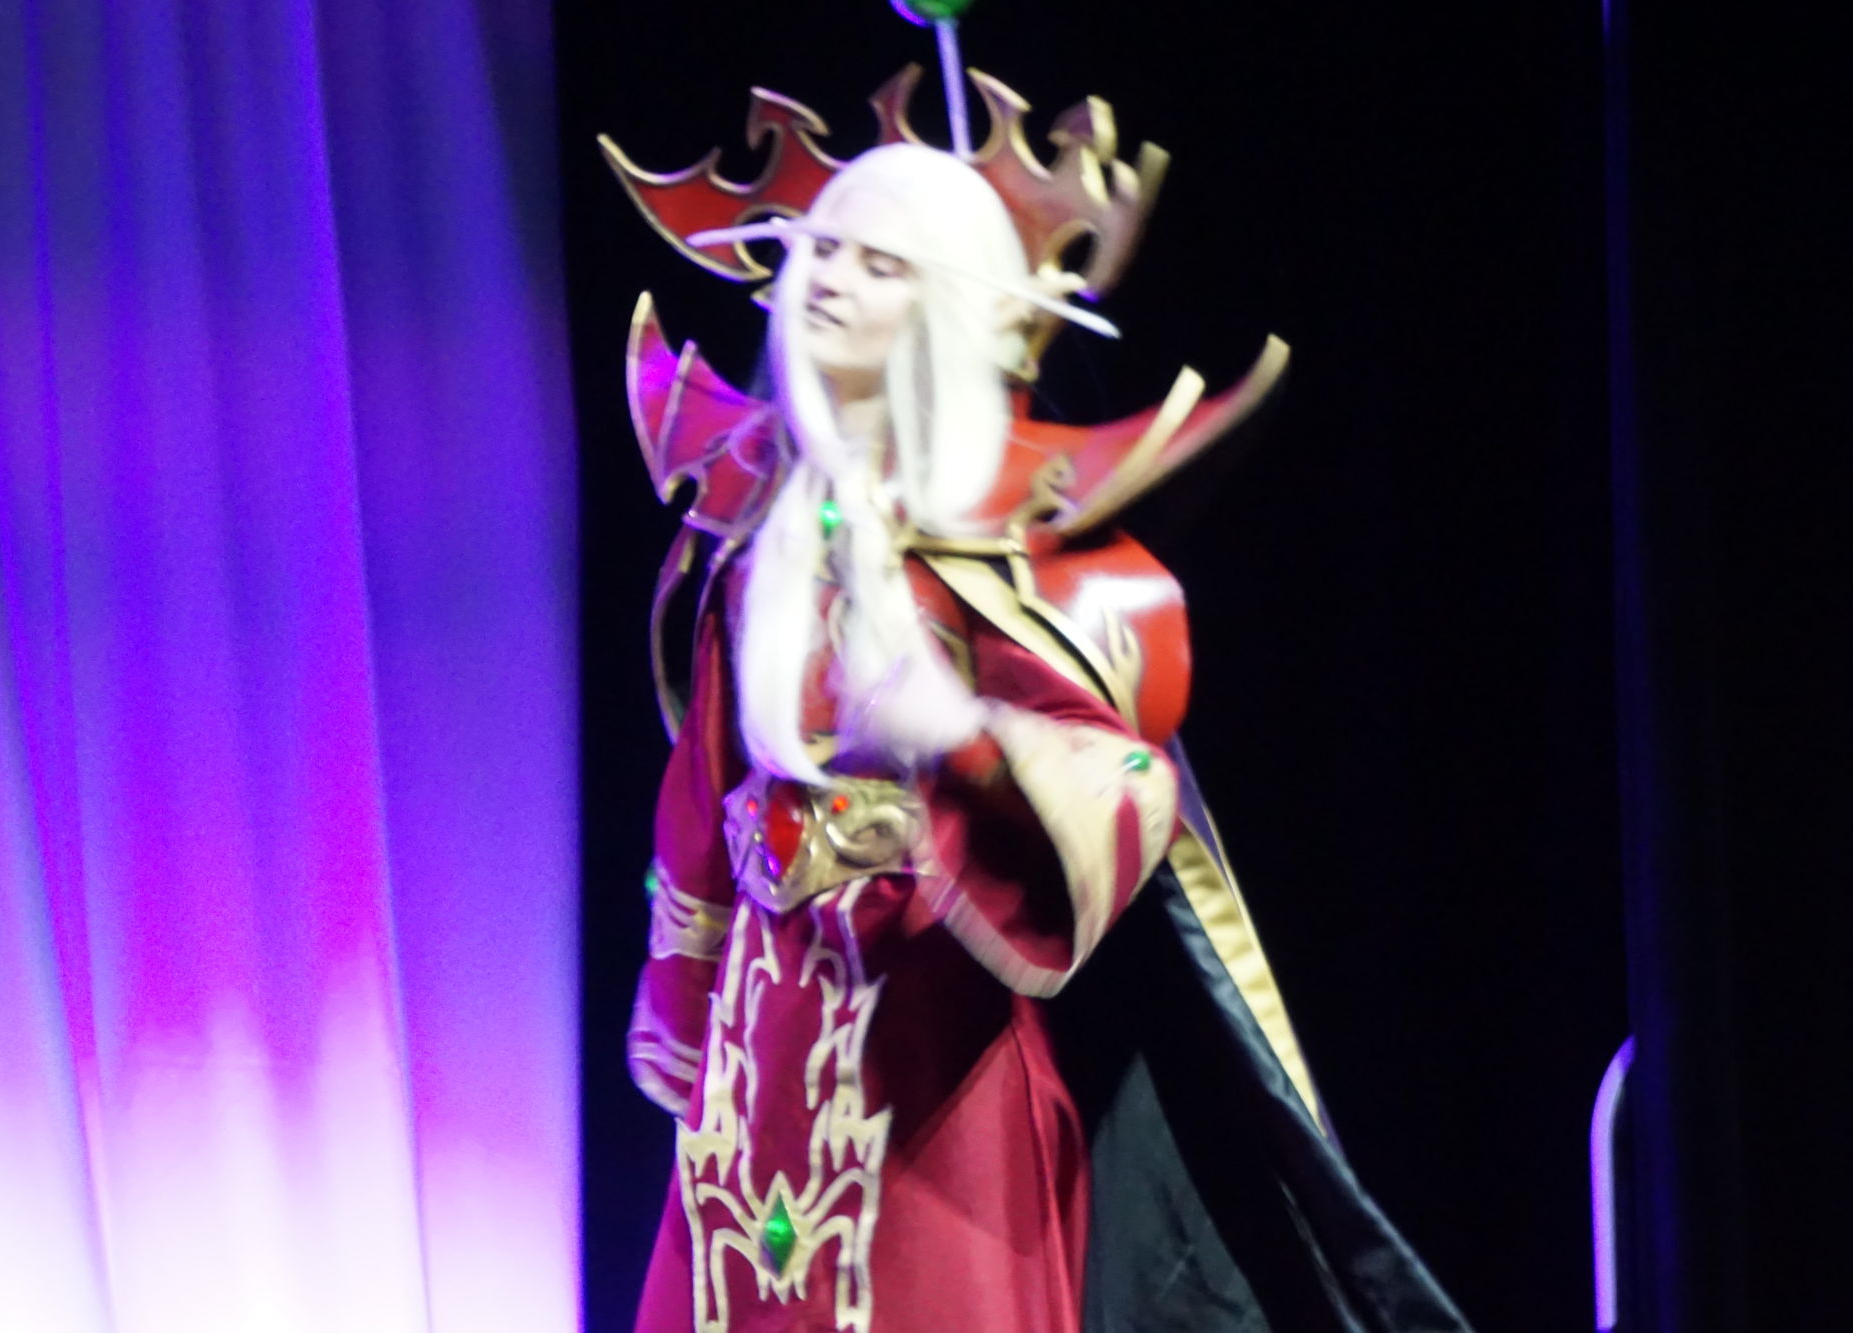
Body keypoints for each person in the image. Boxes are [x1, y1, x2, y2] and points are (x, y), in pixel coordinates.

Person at [611, 90, 1471, 1333]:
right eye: (821, 249)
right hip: (764, 1035)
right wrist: (681, 989)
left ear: (949, 310)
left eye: (879, 262)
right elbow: (705, 787)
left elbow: (1121, 784)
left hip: (928, 1045)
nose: (829, 277)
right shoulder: (761, 544)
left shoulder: (999, 559)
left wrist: (954, 737)